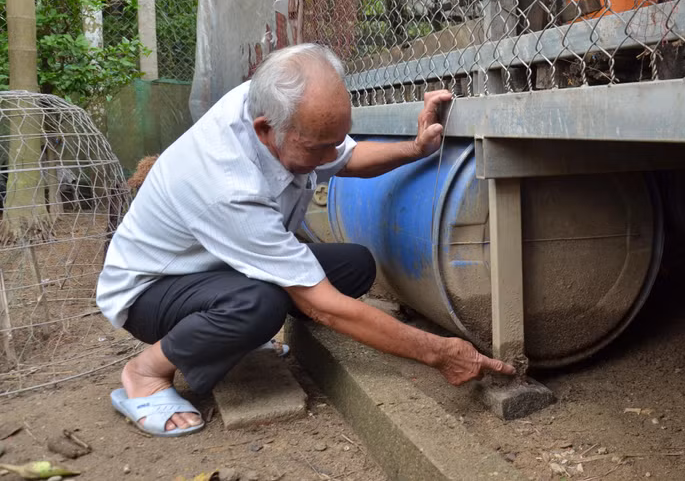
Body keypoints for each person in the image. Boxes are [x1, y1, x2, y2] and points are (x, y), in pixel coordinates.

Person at [97, 43, 515, 437]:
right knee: (261, 304)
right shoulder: (229, 183)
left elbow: (346, 157)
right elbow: (324, 307)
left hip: (214, 266)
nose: (329, 158)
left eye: (334, 141)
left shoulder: (274, 103)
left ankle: (233, 336)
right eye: (318, 148)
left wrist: (416, 149)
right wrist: (437, 351)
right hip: (151, 291)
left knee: (354, 266)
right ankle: (145, 373)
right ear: (265, 130)